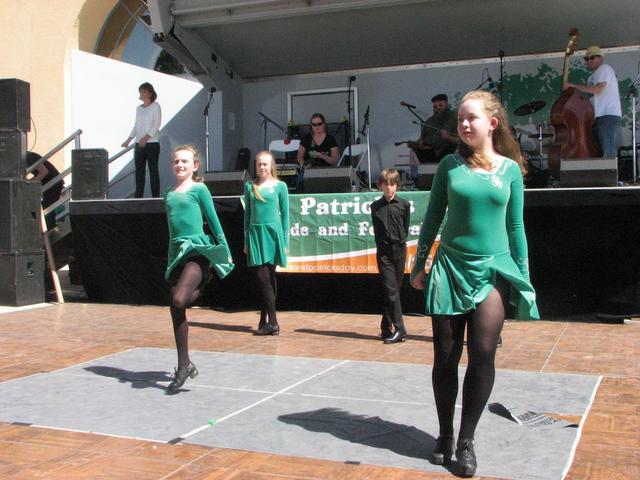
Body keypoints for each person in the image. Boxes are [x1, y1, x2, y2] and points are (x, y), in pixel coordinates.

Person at [410, 90, 539, 476]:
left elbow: (516, 228)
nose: (463, 124)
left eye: (471, 118)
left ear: (492, 124)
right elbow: (432, 217)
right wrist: (420, 266)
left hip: (493, 272)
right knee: (446, 360)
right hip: (449, 268)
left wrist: (524, 279)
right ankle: (445, 434)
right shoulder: (449, 165)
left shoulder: (511, 170)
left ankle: (466, 439)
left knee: (483, 352)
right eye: (461, 119)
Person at [163, 145, 234, 394]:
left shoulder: (199, 189)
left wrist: (222, 251)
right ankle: (184, 365)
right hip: (178, 254)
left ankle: (205, 281)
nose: (180, 165)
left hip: (198, 251)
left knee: (180, 298)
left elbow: (213, 221)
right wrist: (171, 261)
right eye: (176, 162)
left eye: (185, 162)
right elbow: (172, 232)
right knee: (176, 307)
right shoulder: (169, 194)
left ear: (195, 166)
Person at [243, 151, 290, 336]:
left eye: (265, 164)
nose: (262, 167)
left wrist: (285, 242)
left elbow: (285, 215)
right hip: (256, 234)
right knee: (263, 279)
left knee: (268, 278)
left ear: (271, 166)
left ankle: (272, 322)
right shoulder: (249, 187)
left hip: (273, 234)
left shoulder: (280, 186)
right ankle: (266, 320)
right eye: (259, 164)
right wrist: (246, 240)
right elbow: (247, 216)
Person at [370, 169, 411, 344]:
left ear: (397, 186)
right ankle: (400, 329)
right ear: (380, 186)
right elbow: (378, 230)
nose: (389, 188)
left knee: (394, 291)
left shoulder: (404, 205)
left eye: (392, 184)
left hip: (400, 250)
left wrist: (400, 242)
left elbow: (406, 226)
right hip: (384, 252)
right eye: (385, 184)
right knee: (390, 289)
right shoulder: (376, 207)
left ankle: (385, 326)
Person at [564, 46, 622, 158]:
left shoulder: (604, 69)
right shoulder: (591, 77)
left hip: (607, 115)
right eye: (586, 59)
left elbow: (599, 89)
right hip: (598, 117)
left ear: (601, 58)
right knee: (600, 151)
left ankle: (609, 175)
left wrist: (573, 85)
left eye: (592, 57)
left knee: (608, 151)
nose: (589, 61)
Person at [122, 82, 162, 197]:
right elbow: (136, 125)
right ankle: (138, 197)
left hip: (152, 143)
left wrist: (146, 138)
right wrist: (128, 140)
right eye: (141, 91)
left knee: (153, 170)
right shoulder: (138, 108)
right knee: (139, 171)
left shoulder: (156, 106)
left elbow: (156, 124)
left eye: (144, 91)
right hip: (139, 143)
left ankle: (155, 196)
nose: (142, 94)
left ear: (150, 93)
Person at [408, 94, 459, 181]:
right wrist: (417, 144)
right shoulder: (429, 122)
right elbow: (422, 139)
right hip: (432, 152)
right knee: (413, 152)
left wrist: (448, 137)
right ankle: (417, 180)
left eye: (440, 105)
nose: (438, 108)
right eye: (435, 107)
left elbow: (461, 141)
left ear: (446, 104)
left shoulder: (455, 119)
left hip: (449, 152)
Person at [25, 151, 64, 230]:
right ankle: (48, 229)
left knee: (48, 208)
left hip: (54, 182)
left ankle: (50, 230)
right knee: (45, 207)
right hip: (51, 182)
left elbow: (44, 172)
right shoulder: (26, 158)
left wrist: (30, 183)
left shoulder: (29, 157)